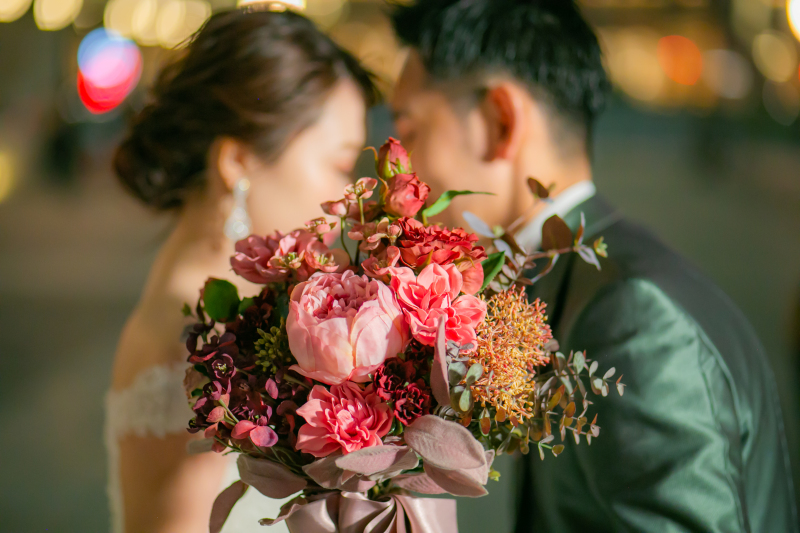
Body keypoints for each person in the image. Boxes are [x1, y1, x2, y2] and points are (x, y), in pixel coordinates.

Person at [389, 1, 798, 531]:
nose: (399, 167)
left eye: (410, 129)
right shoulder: (579, 283)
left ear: (499, 121)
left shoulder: (635, 321)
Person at [106, 7, 376, 532]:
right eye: (341, 165)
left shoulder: (206, 305)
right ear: (237, 161)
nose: (348, 199)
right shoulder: (199, 338)